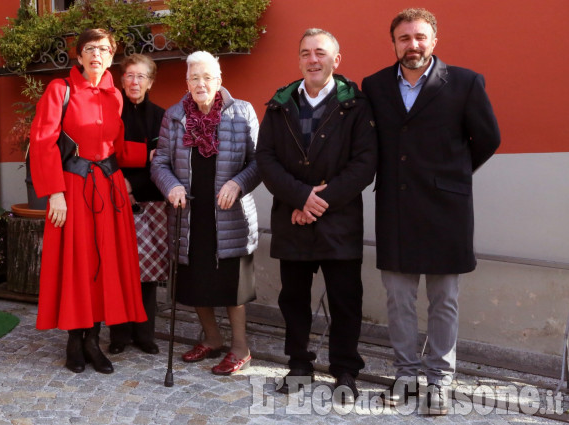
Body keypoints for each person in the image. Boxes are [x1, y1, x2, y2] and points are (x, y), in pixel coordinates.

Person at [361, 8, 500, 415]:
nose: (413, 45)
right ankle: (406, 375)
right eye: (404, 39)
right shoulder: (374, 86)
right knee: (399, 299)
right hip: (395, 208)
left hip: (446, 209)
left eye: (420, 37)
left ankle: (440, 379)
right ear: (394, 44)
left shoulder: (464, 83)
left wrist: (452, 174)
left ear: (434, 40)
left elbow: (487, 138)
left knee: (444, 300)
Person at [256, 28, 377, 404]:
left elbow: (365, 163)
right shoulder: (280, 104)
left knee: (345, 300)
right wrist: (300, 198)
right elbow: (266, 158)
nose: (313, 59)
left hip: (338, 220)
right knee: (292, 299)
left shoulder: (355, 104)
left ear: (335, 60)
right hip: (292, 218)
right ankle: (299, 365)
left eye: (320, 53)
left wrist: (318, 202)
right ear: (299, 60)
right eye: (306, 53)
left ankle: (344, 370)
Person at [29, 28, 149, 374]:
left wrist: (157, 153)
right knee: (77, 263)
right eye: (91, 49)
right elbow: (43, 142)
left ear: (112, 57)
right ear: (79, 55)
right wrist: (55, 193)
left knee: (104, 265)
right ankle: (73, 341)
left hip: (110, 192)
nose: (98, 54)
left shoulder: (116, 96)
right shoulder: (59, 90)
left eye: (105, 49)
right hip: (73, 190)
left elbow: (118, 147)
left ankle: (93, 341)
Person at [150, 51, 260, 375]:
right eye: (194, 78)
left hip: (230, 215)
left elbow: (259, 161)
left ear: (219, 81)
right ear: (187, 82)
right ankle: (212, 339)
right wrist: (170, 186)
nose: (201, 84)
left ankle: (240, 348)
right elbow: (160, 163)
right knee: (196, 278)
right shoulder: (174, 117)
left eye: (207, 77)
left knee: (231, 282)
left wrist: (238, 184)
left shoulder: (242, 113)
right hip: (190, 213)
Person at [108, 53, 166, 355]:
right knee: (117, 271)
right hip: (113, 200)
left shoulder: (161, 117)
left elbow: (162, 164)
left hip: (149, 202)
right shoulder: (109, 112)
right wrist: (123, 184)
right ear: (121, 79)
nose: (135, 82)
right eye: (130, 75)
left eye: (141, 76)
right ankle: (119, 336)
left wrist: (133, 183)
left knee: (147, 272)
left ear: (150, 81)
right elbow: (104, 157)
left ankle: (145, 334)